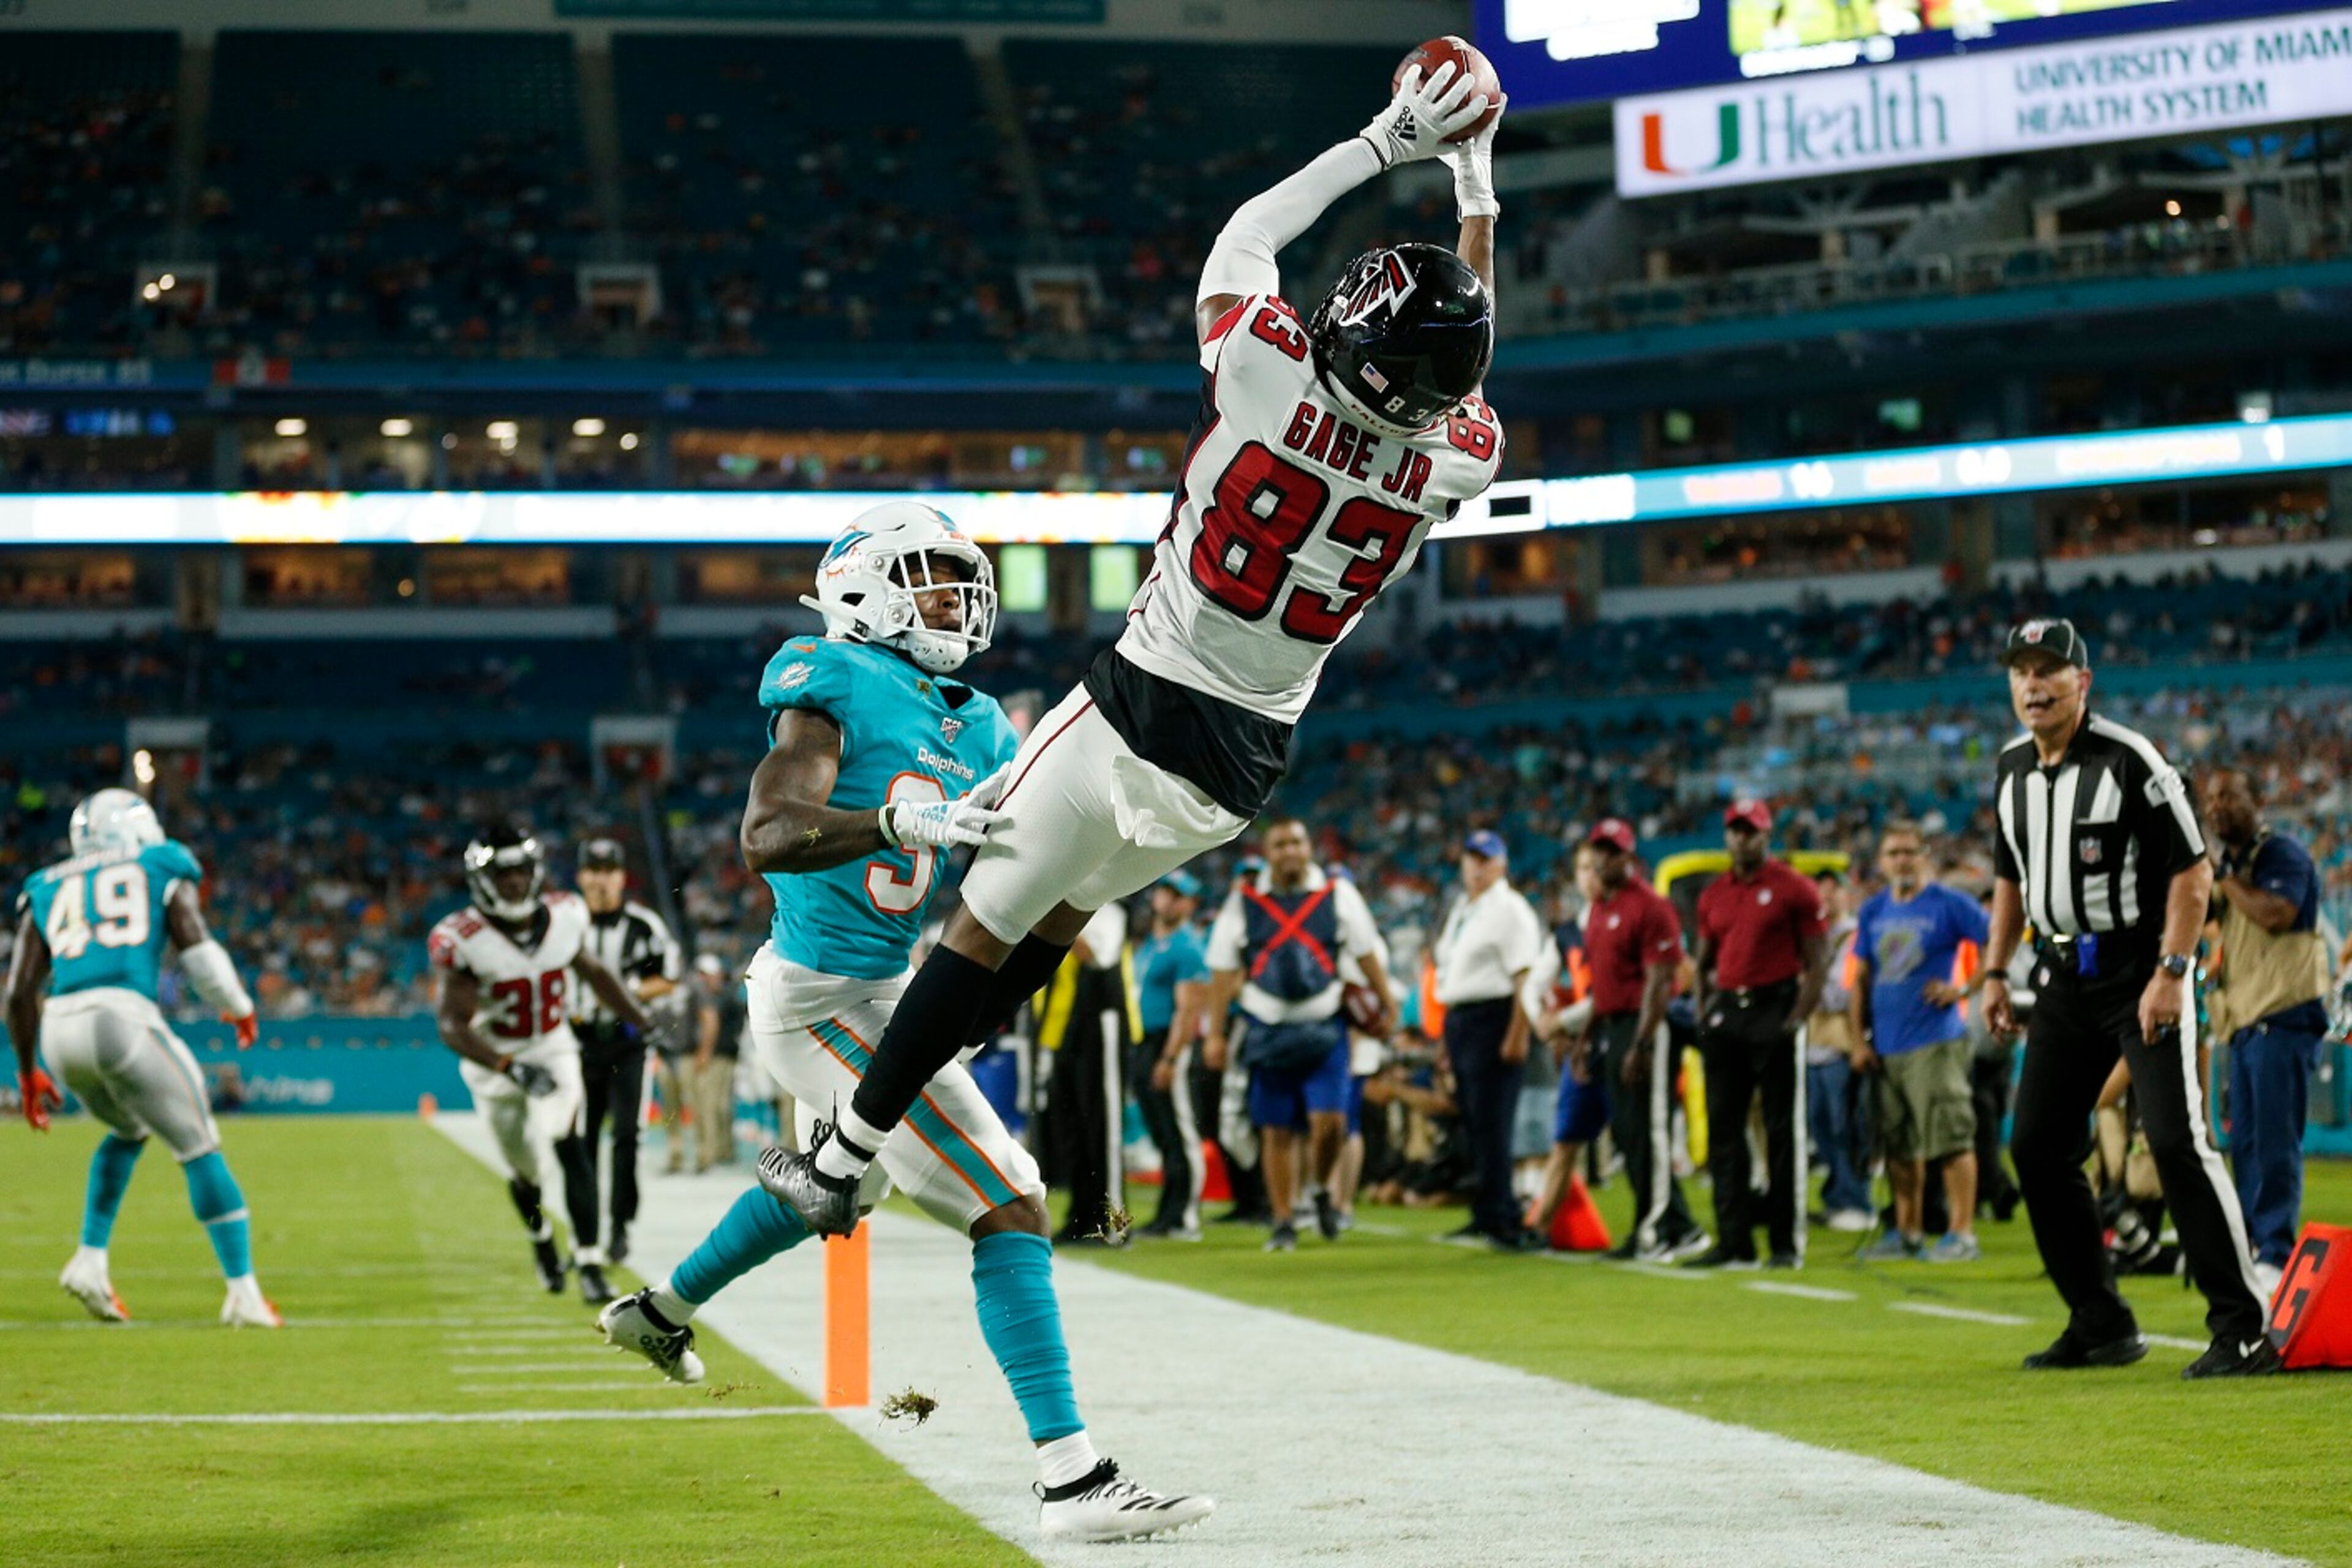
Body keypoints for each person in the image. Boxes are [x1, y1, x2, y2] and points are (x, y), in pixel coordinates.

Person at [755, 62, 1506, 1234]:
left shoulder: (1264, 368)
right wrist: (1477, 197)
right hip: (1247, 765)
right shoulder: (1458, 457)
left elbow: (1251, 231)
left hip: (1145, 698)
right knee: (1059, 914)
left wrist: (1393, 140)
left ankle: (841, 1158)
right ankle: (978, 1061)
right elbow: (1466, 355)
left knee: (986, 919)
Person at [597, 504, 1211, 1541]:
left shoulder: (980, 725)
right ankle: (1073, 1481)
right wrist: (889, 820)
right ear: (863, 588)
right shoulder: (828, 677)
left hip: (889, 992)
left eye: (962, 578)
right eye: (930, 577)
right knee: (1008, 1196)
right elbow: (767, 831)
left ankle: (655, 1312)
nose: (957, 598)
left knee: (853, 1183)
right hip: (818, 1000)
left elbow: (1020, 886)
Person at [1980, 618, 2273, 1378]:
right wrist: (1993, 971)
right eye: (2022, 671)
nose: (2034, 685)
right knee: (2037, 1146)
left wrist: (2173, 971)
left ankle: (2243, 1329)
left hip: (2141, 973)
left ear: (2085, 683)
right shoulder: (2010, 770)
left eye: (2050, 670)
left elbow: (2192, 870)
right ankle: (2101, 1319)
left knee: (2176, 1140)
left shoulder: (2130, 757)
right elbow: (2011, 881)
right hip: (2060, 981)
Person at [6, 788, 278, 1327]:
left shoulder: (47, 882)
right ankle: (244, 1294)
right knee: (200, 1145)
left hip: (61, 1030)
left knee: (129, 1131)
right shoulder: (160, 863)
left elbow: (18, 992)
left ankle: (90, 1260)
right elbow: (197, 950)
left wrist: (28, 1069)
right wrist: (239, 1006)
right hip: (121, 1019)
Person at [429, 820, 652, 1303]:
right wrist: (508, 1067)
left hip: (552, 1048)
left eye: (520, 871)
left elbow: (593, 973)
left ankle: (590, 1262)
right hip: (495, 1062)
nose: (512, 882)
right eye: (502, 874)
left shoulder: (566, 914)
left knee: (567, 1141)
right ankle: (541, 1240)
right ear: (481, 881)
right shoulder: (462, 936)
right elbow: (452, 1024)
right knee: (525, 1173)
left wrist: (642, 1020)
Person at [1204, 818, 1392, 1251]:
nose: (1289, 851)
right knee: (1276, 1131)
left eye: (1296, 842)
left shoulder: (1338, 894)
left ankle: (1323, 1189)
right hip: (1266, 1026)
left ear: (1310, 848)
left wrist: (1388, 1002)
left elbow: (1365, 951)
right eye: (1280, 844)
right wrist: (1215, 1033)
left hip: (1324, 1023)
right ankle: (1284, 1220)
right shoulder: (1244, 900)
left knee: (1332, 1123)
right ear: (1268, 852)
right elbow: (1222, 969)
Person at [2201, 767, 2331, 1299]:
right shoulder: (2237, 864)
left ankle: (2276, 1252)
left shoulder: (2282, 855)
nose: (2217, 808)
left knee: (2275, 1141)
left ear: (2259, 800)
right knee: (2248, 1143)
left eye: (2230, 796)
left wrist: (2225, 879)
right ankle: (2256, 1247)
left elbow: (2278, 914)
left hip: (2283, 1015)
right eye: (2211, 800)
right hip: (2248, 1021)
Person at [1690, 802, 1827, 1269]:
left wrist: (1796, 1019)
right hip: (1729, 1011)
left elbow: (1818, 960)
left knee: (1781, 1130)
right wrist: (1704, 1010)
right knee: (1723, 1131)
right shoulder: (1713, 895)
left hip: (1775, 1006)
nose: (1741, 840)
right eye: (1735, 832)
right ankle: (1734, 1241)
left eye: (1750, 832)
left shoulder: (1795, 889)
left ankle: (1786, 1245)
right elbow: (1704, 961)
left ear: (1766, 836)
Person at [1849, 820, 1990, 1262]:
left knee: (1950, 1139)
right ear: (1882, 862)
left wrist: (1963, 989)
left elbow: (1996, 942)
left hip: (1936, 1042)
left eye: (1910, 851)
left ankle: (1962, 1233)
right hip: (1886, 1045)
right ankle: (1907, 1233)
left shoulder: (1949, 903)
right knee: (1899, 1147)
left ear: (1924, 856)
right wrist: (1858, 1040)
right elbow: (1861, 980)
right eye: (1894, 853)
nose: (1903, 861)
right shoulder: (1873, 910)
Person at [1583, 819, 1709, 1262]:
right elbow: (1601, 984)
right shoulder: (1600, 907)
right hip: (1615, 1025)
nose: (1603, 859)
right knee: (1629, 1133)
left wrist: (1642, 1042)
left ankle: (1652, 1230)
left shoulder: (1651, 906)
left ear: (1629, 857)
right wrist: (1587, 1038)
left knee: (1650, 1133)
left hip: (1646, 1026)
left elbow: (1661, 980)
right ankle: (1680, 1225)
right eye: (1598, 850)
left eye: (1612, 851)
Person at [570, 835, 682, 1285]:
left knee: (626, 1137)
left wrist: (625, 992)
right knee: (581, 1141)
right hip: (577, 1040)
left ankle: (618, 1226)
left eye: (608, 871)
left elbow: (669, 977)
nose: (600, 881)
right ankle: (588, 1233)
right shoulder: (565, 922)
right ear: (581, 877)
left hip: (627, 1041)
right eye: (593, 871)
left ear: (621, 877)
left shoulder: (642, 924)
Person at [1432, 829, 1545, 1250]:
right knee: (1475, 1122)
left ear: (1501, 865)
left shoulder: (1511, 909)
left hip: (1495, 1017)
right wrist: (1447, 1038)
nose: (1477, 867)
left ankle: (1504, 1218)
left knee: (1494, 1122)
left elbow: (1524, 977)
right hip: (1463, 1019)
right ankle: (1485, 1210)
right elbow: (1451, 978)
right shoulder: (1464, 908)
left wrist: (1517, 1034)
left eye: (1485, 860)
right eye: (1471, 859)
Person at [1036, 903, 1135, 1247]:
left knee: (1103, 1130)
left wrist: (1059, 919)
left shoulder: (1111, 910)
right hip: (1066, 1029)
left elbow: (1098, 957)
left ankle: (1115, 1224)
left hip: (1102, 1023)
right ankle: (1082, 1219)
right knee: (1073, 1129)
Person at [1521, 843, 1600, 1243]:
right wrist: (1539, 1019)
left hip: (1623, 1043)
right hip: (1585, 1048)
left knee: (1642, 1145)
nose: (1592, 875)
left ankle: (1665, 1223)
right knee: (1565, 1137)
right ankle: (1539, 1227)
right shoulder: (1569, 932)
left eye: (1597, 867)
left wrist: (1559, 1022)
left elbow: (1613, 992)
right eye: (1584, 867)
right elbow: (1534, 983)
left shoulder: (1629, 919)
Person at [1133, 872, 1211, 1239]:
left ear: (1190, 904)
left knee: (1179, 1132)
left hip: (1167, 1043)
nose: (1169, 900)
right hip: (1144, 1042)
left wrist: (1170, 1058)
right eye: (1166, 892)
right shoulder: (1151, 944)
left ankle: (1185, 1216)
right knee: (1164, 1133)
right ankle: (1168, 1213)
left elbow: (1188, 1011)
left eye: (1178, 896)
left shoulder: (1187, 947)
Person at [1805, 867, 1872, 1232]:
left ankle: (1856, 1200)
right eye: (1821, 892)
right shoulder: (1816, 936)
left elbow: (1844, 993)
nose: (1826, 899)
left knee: (1846, 1125)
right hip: (1814, 1044)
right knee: (1822, 1127)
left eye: (1833, 892)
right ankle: (1837, 1196)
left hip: (1843, 1043)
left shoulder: (1852, 937)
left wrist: (1807, 991)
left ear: (1847, 896)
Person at [689, 952, 745, 1171]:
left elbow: (713, 1027)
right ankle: (723, 1149)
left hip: (721, 1056)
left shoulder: (725, 998)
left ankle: (715, 1152)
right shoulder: (725, 996)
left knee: (715, 1105)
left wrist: (705, 1053)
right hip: (724, 1055)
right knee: (720, 1106)